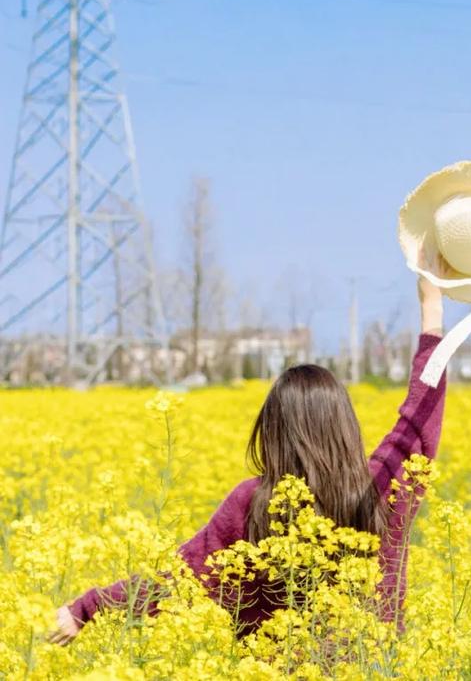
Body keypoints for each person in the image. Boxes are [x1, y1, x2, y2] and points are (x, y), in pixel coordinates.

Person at [48, 256, 447, 646]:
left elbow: (177, 582)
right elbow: (419, 416)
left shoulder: (254, 504)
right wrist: (432, 308)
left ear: (272, 431)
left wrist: (85, 610)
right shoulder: (380, 490)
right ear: (345, 426)